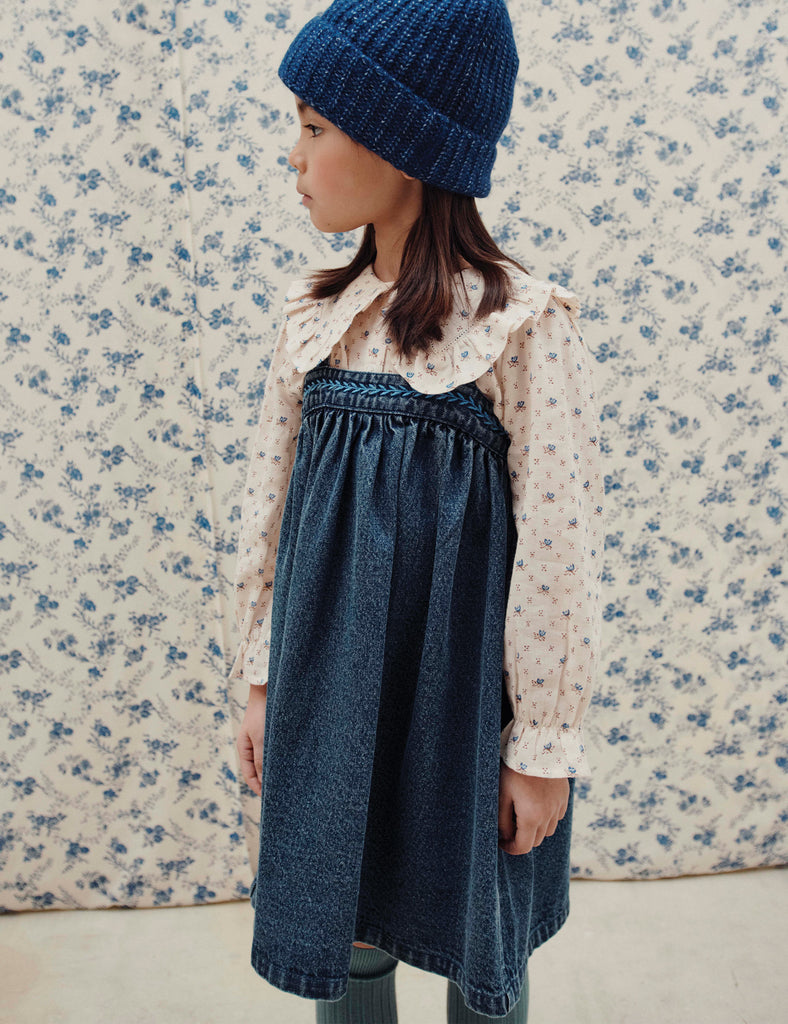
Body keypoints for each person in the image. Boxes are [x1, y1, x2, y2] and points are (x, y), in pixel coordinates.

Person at [231, 1, 604, 1021]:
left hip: (464, 708)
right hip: (330, 698)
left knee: (480, 935)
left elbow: (558, 552)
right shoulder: (315, 324)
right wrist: (260, 681)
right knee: (343, 923)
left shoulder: (519, 328)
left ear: (400, 142)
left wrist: (542, 746)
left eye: (315, 127)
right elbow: (268, 521)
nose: (294, 156)